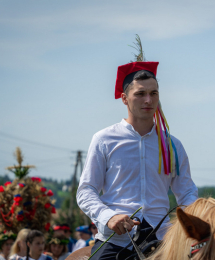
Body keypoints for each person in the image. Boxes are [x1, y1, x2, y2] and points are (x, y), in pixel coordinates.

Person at [77, 44, 198, 259]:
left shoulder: (173, 145)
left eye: (154, 93)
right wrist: (108, 217)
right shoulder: (104, 139)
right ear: (124, 98)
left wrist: (187, 219)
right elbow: (86, 191)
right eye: (140, 94)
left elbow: (187, 191)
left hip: (162, 239)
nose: (148, 100)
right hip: (116, 239)